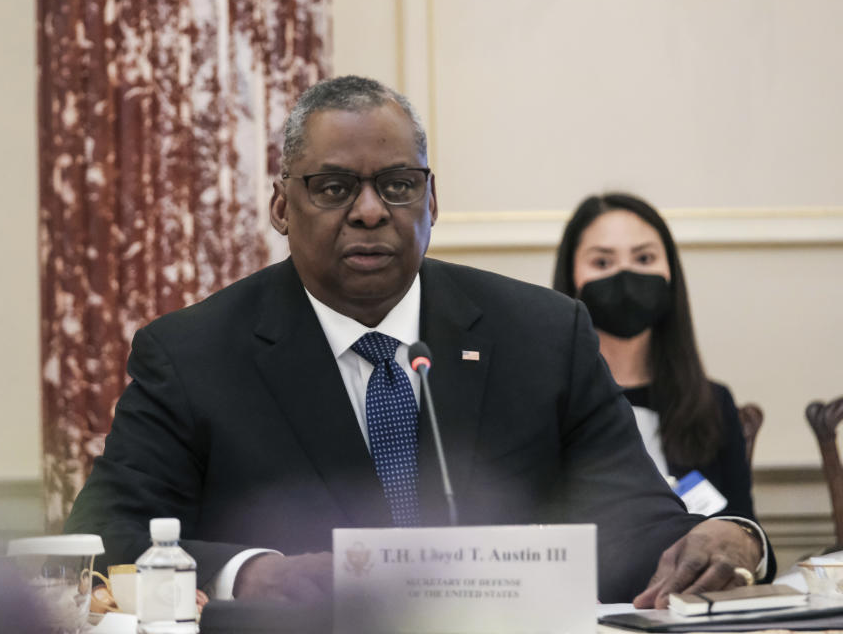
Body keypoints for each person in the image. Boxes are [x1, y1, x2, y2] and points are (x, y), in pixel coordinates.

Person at [64, 75, 769, 609]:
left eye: (398, 186)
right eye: (334, 187)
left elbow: (636, 525)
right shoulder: (192, 355)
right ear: (282, 205)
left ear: (431, 201)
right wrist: (252, 571)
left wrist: (735, 536)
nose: (371, 212)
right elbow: (103, 536)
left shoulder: (543, 335)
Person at [552, 194, 757, 520]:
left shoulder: (713, 403)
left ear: (670, 272)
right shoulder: (542, 405)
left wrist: (743, 543)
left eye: (644, 258)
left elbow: (746, 534)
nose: (625, 276)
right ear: (572, 276)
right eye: (602, 262)